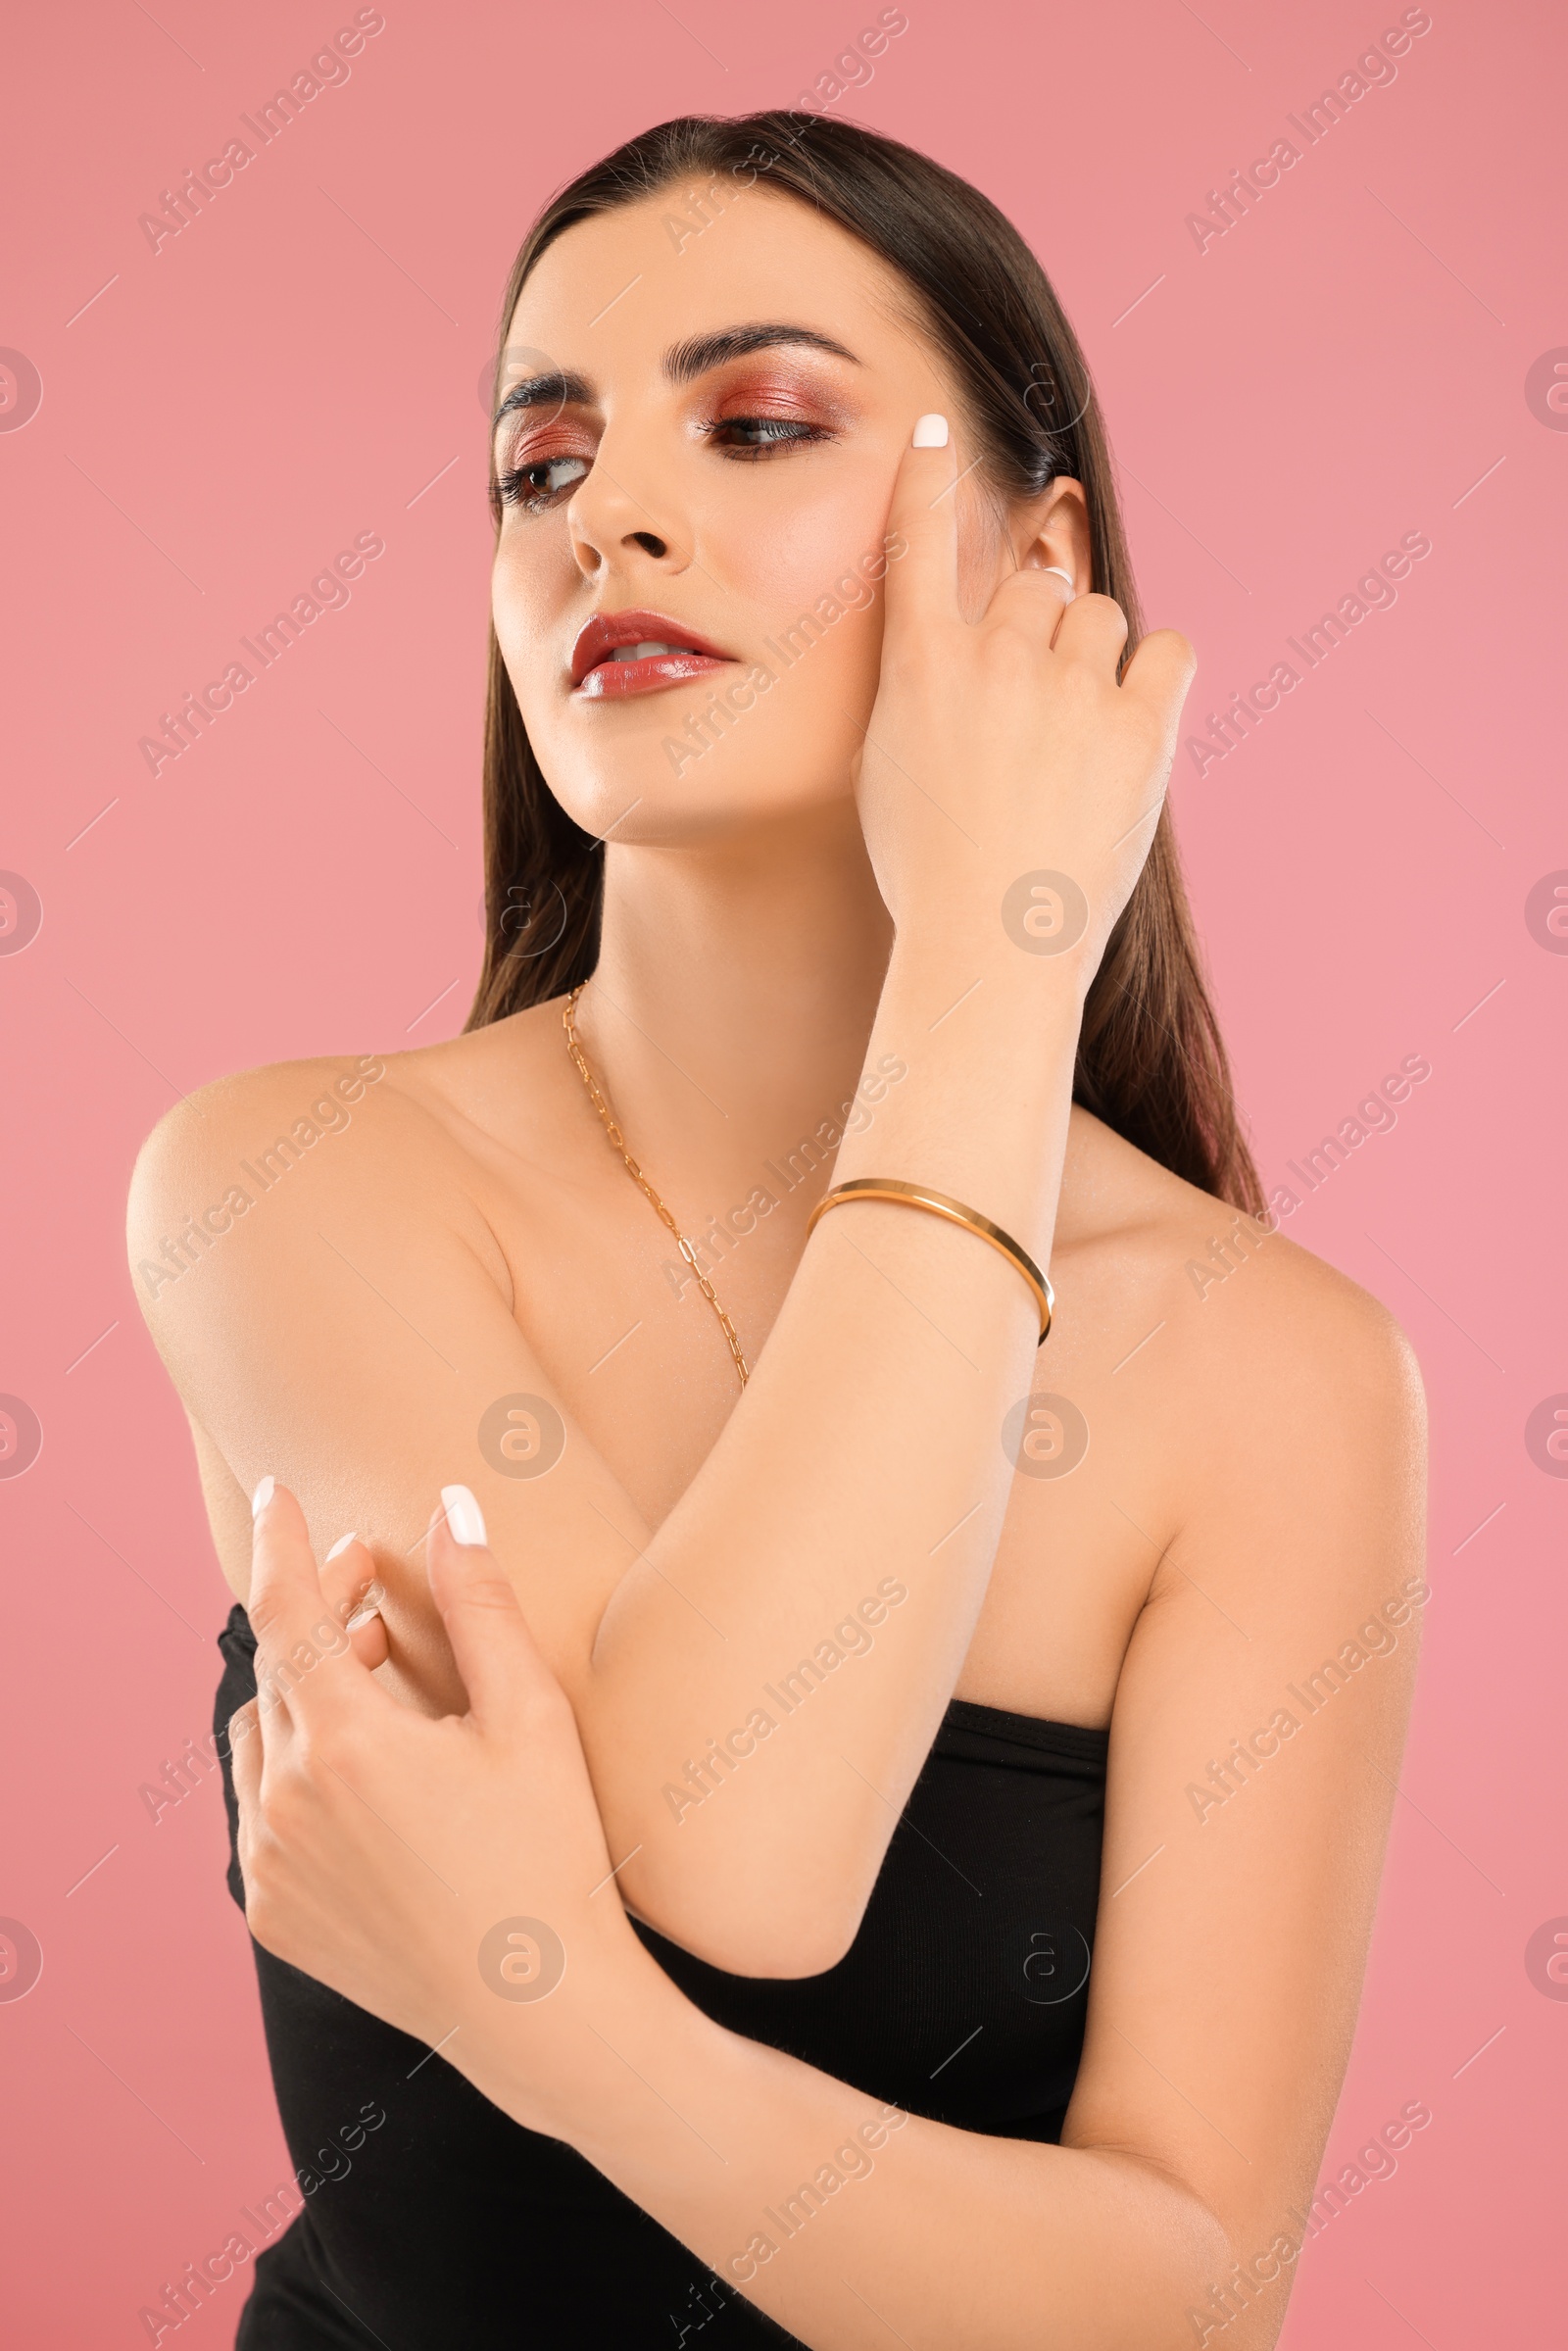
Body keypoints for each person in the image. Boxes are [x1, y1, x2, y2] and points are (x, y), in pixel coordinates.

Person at [128, 111, 1426, 2349]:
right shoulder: (292, 1183)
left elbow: (1186, 2303)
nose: (604, 515)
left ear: (1037, 559)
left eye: (751, 427)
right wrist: (1000, 972)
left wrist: (579, 2046)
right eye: (539, 464)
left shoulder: (1275, 1375)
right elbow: (741, 1851)